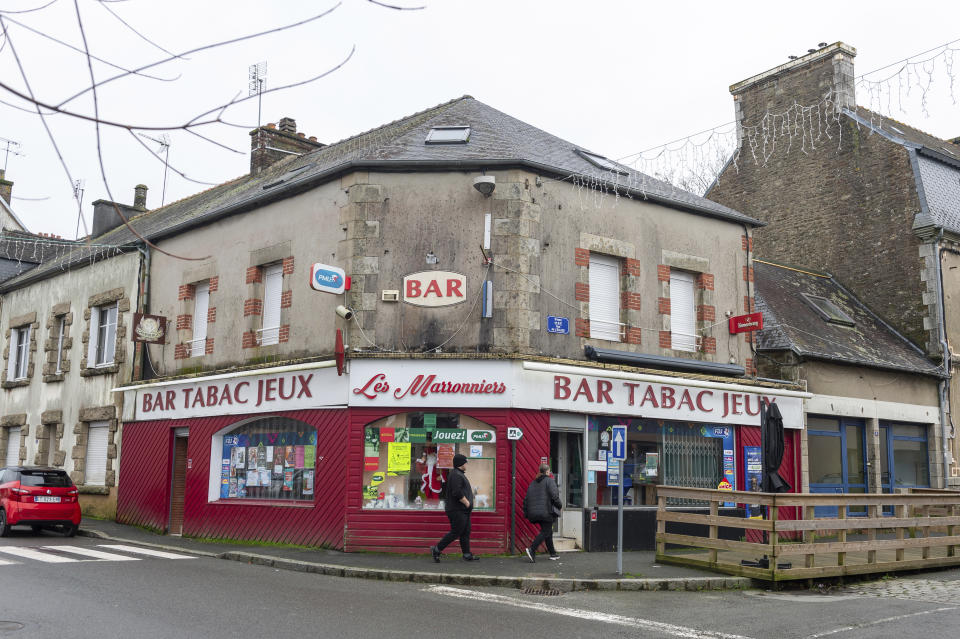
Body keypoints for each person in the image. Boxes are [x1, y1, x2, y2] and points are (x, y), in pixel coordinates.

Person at [430, 453, 479, 562]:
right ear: (461, 463)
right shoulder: (456, 474)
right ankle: (437, 549)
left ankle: (467, 554)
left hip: (463, 510)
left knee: (465, 532)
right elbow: (457, 492)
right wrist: (467, 503)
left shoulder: (458, 474)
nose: (467, 464)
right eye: (465, 462)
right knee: (456, 532)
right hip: (457, 509)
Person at [522, 463, 561, 562]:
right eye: (549, 471)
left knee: (548, 531)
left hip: (534, 512)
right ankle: (532, 549)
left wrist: (526, 513)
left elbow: (526, 499)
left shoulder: (533, 483)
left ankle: (552, 553)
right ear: (547, 471)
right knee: (546, 531)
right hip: (546, 512)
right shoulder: (549, 481)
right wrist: (560, 505)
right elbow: (555, 496)